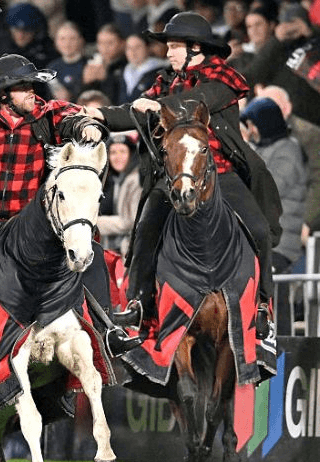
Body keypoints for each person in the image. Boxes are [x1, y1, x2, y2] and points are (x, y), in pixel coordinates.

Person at [0, 53, 141, 360]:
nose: (32, 91)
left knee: (91, 255)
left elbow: (74, 119)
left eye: (32, 85)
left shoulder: (47, 115)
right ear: (4, 94)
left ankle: (107, 330)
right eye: (23, 86)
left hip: (28, 226)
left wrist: (87, 128)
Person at [83, 11, 282, 342]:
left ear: (195, 49)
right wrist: (99, 113)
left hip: (219, 171)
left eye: (174, 46)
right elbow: (136, 110)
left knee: (259, 229)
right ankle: (138, 303)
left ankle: (263, 305)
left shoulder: (221, 79)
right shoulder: (165, 82)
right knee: (145, 228)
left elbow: (192, 102)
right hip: (174, 174)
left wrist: (155, 107)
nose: (168, 53)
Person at [240, 97, 307, 273]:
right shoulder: (262, 148)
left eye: (252, 124)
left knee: (275, 296)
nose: (251, 130)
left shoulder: (288, 151)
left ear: (265, 123)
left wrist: (246, 149)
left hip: (279, 245)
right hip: (260, 241)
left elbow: (269, 188)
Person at [96, 133, 143, 257]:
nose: (118, 157)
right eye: (113, 152)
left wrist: (92, 222)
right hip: (113, 249)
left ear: (132, 154)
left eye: (123, 151)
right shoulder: (115, 180)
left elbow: (130, 221)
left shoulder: (136, 180)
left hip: (130, 252)